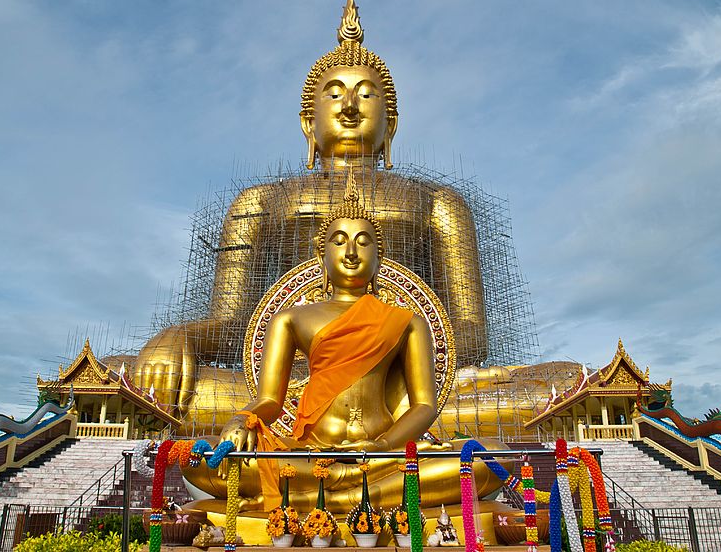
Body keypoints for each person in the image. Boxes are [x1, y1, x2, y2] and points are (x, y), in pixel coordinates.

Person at [132, 0, 488, 429]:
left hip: (398, 384)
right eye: (334, 95)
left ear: (390, 123)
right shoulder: (260, 202)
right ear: (308, 122)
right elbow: (231, 325)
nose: (351, 107)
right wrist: (178, 335)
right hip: (282, 379)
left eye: (366, 95)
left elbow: (470, 333)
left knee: (545, 385)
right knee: (135, 376)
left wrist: (385, 344)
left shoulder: (439, 203)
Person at [182, 174, 505, 513]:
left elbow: (424, 406)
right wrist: (241, 419)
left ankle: (333, 498)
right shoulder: (291, 319)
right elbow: (269, 400)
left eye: (363, 242)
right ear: (322, 255)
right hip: (309, 452)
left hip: (385, 455)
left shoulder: (408, 322)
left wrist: (383, 446)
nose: (351, 252)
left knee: (491, 457)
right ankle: (362, 497)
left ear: (380, 258)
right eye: (339, 241)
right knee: (199, 459)